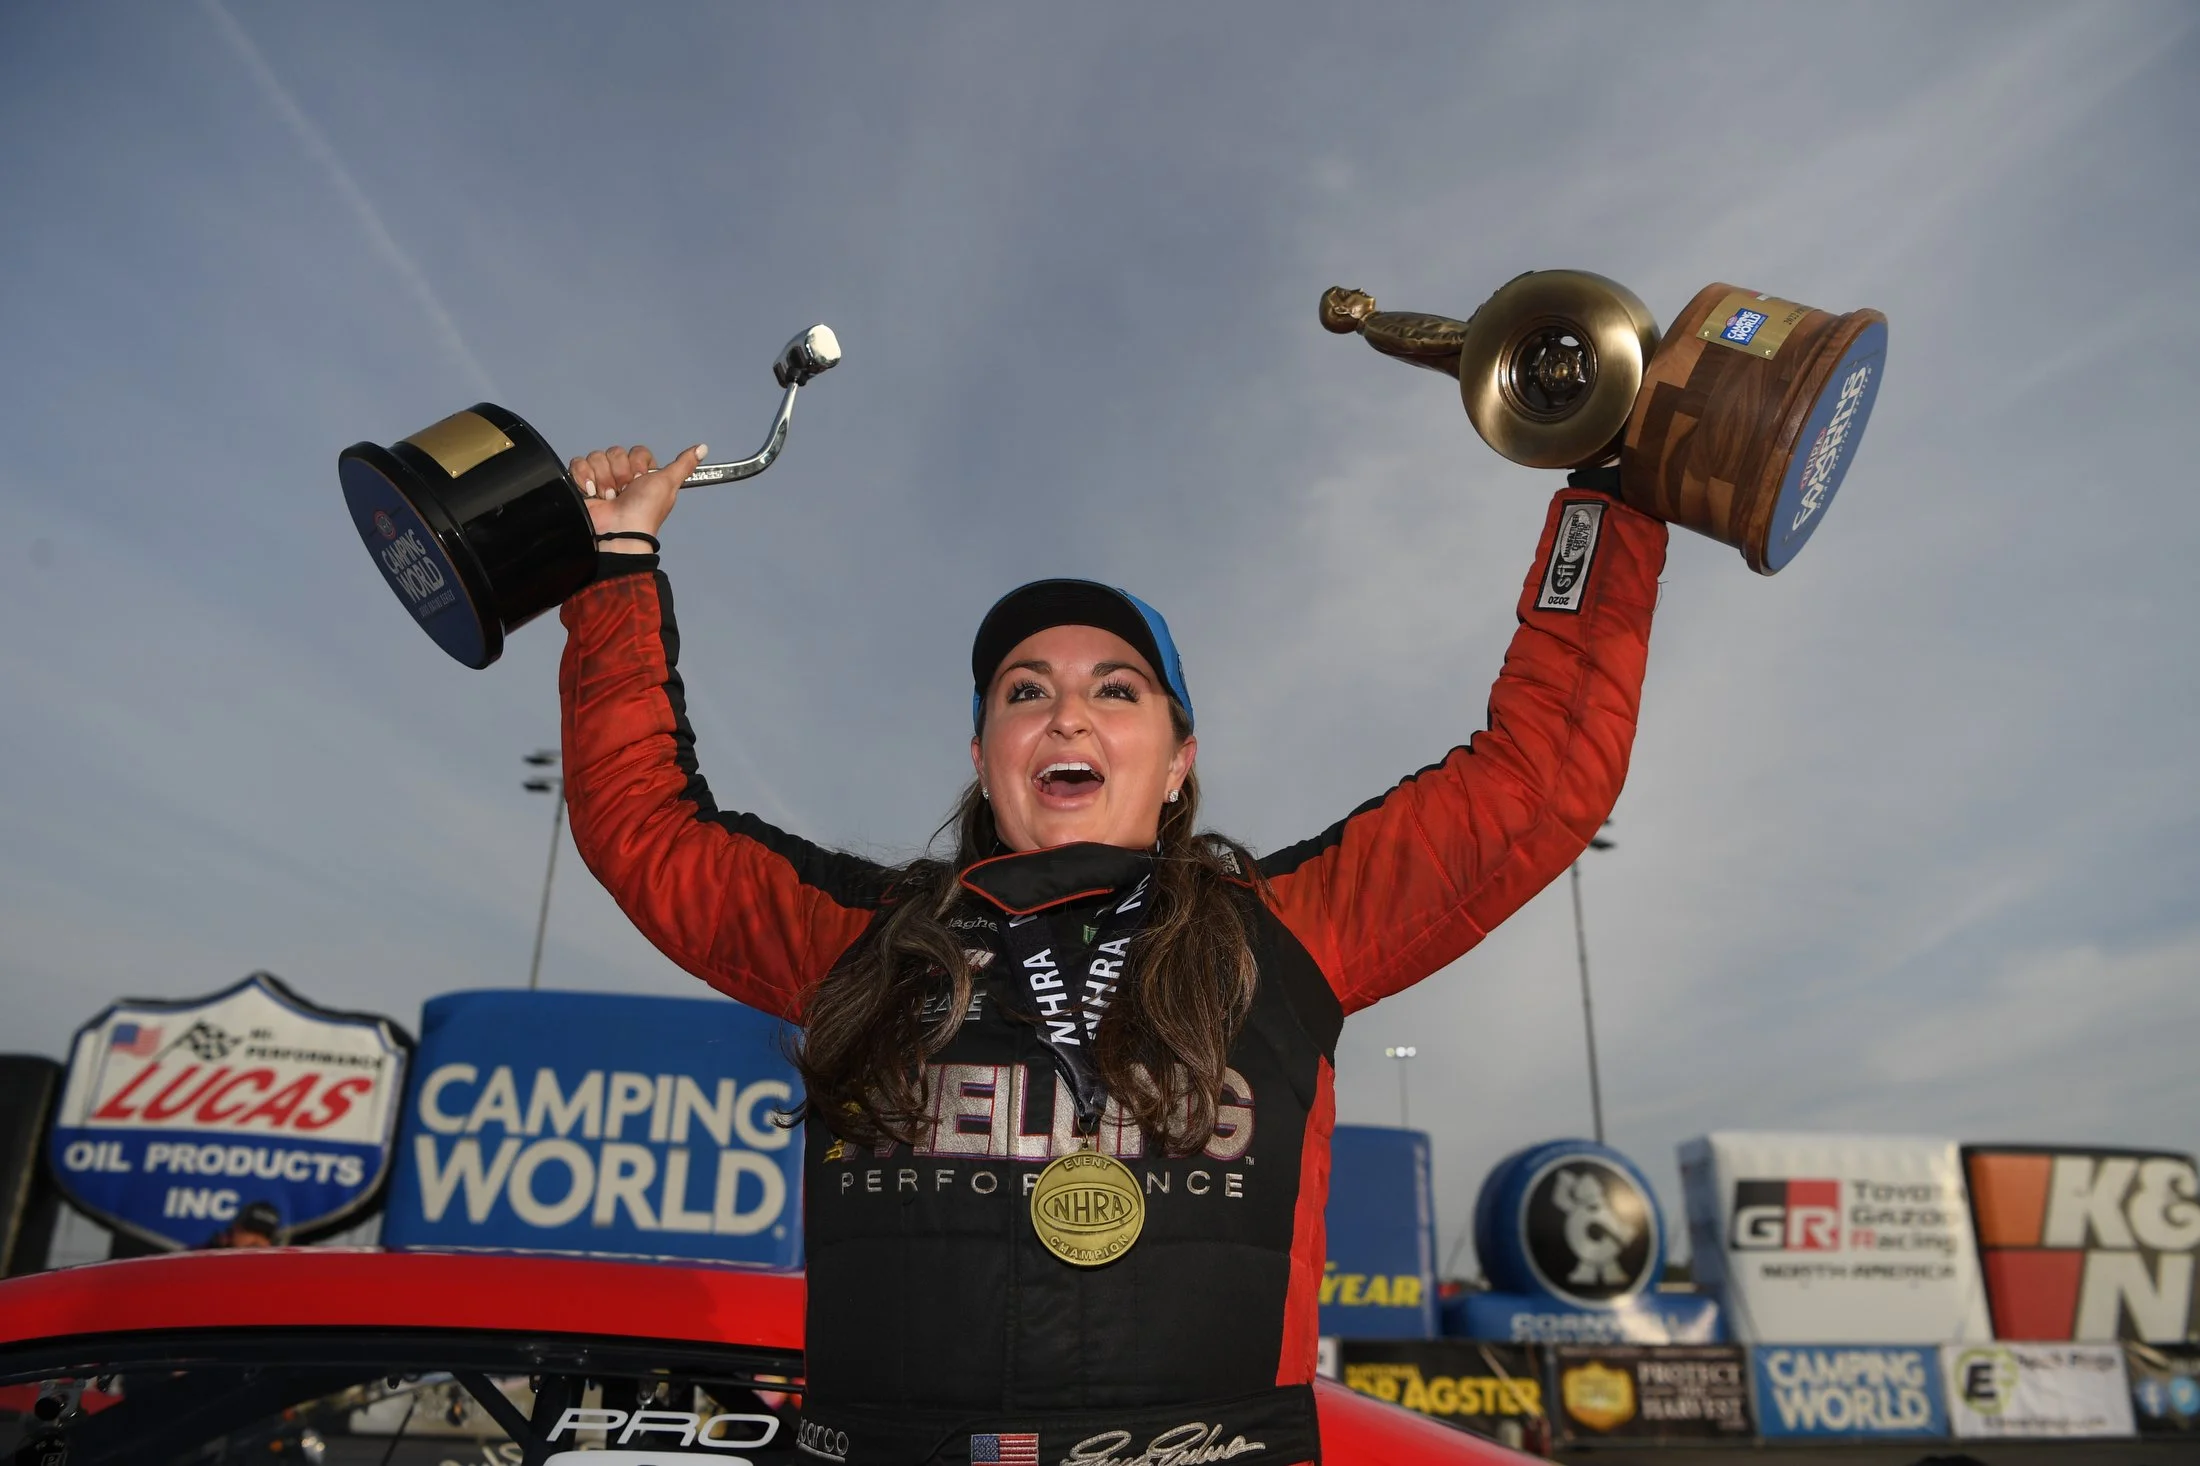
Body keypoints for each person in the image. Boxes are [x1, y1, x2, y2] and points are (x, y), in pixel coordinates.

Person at [559, 442, 1665, 1466]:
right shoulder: (855, 937)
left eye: (1116, 689)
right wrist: (614, 564)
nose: (1067, 715)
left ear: (1179, 760)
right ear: (984, 753)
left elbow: (1539, 773)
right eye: (1025, 691)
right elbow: (643, 825)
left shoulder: (1287, 930)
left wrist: (1608, 495)